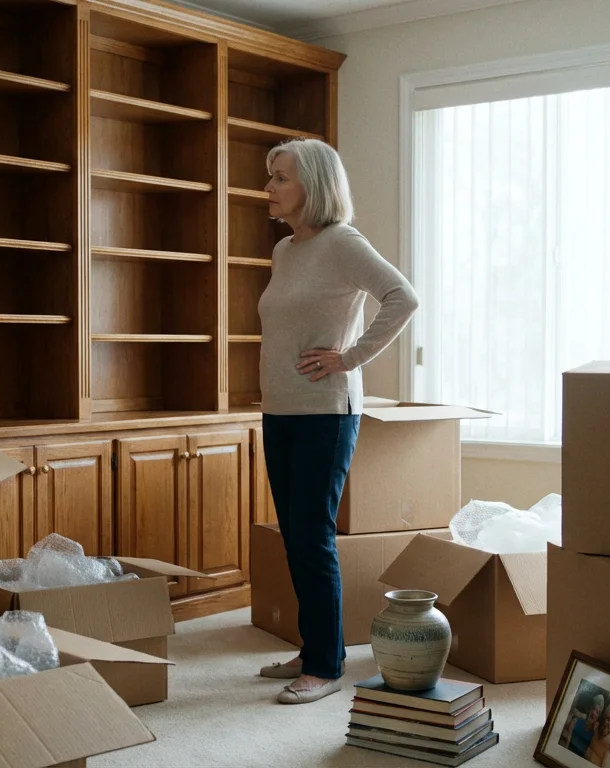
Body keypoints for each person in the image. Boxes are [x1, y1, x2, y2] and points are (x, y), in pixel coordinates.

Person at [253, 138, 420, 705]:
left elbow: (402, 297)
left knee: (312, 537)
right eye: (271, 177)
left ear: (314, 185)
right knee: (295, 538)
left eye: (280, 177)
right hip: (279, 409)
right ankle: (314, 646)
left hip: (326, 412)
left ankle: (325, 666)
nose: (269, 187)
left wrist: (348, 358)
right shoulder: (285, 250)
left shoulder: (343, 242)